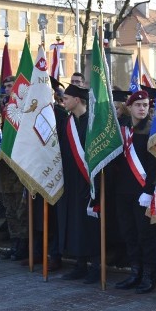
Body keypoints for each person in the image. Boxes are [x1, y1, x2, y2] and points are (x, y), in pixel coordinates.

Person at [112, 90, 156, 294]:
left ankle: (149, 275)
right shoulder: (121, 128)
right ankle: (135, 272)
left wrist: (149, 190)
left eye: (145, 105)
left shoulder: (151, 130)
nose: (142, 108)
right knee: (128, 233)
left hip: (143, 192)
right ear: (129, 107)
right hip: (122, 190)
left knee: (145, 235)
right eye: (138, 105)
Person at [57, 84, 102, 283]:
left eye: (66, 98)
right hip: (70, 181)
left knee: (90, 226)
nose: (63, 101)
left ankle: (96, 267)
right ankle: (80, 264)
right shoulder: (68, 123)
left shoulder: (93, 123)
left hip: (89, 181)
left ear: (77, 100)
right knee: (75, 224)